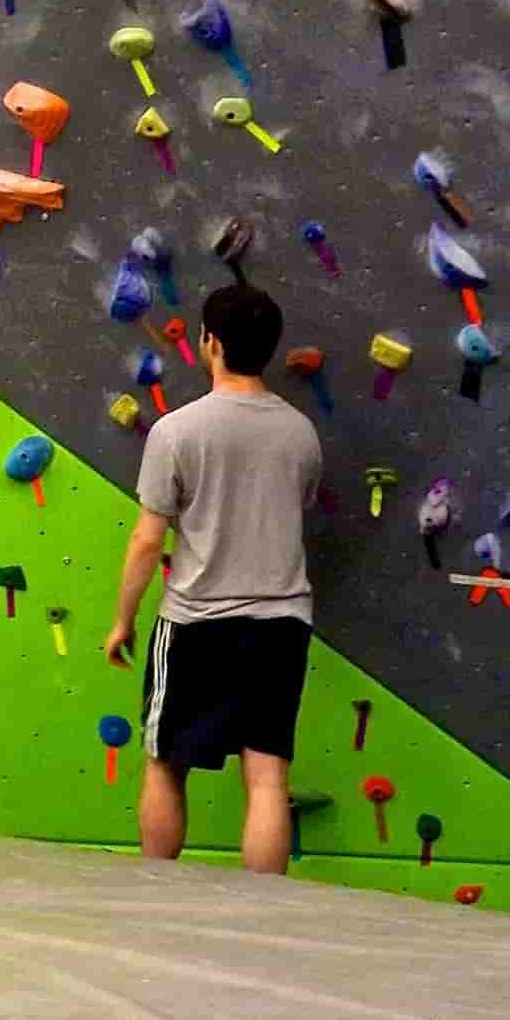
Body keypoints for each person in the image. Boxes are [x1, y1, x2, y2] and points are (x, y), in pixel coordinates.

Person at [104, 284, 322, 875]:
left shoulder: (177, 431)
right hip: (281, 626)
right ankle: (263, 916)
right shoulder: (301, 432)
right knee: (268, 775)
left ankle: (157, 899)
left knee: (164, 764)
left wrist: (124, 619)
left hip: (197, 623)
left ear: (211, 343)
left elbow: (150, 539)